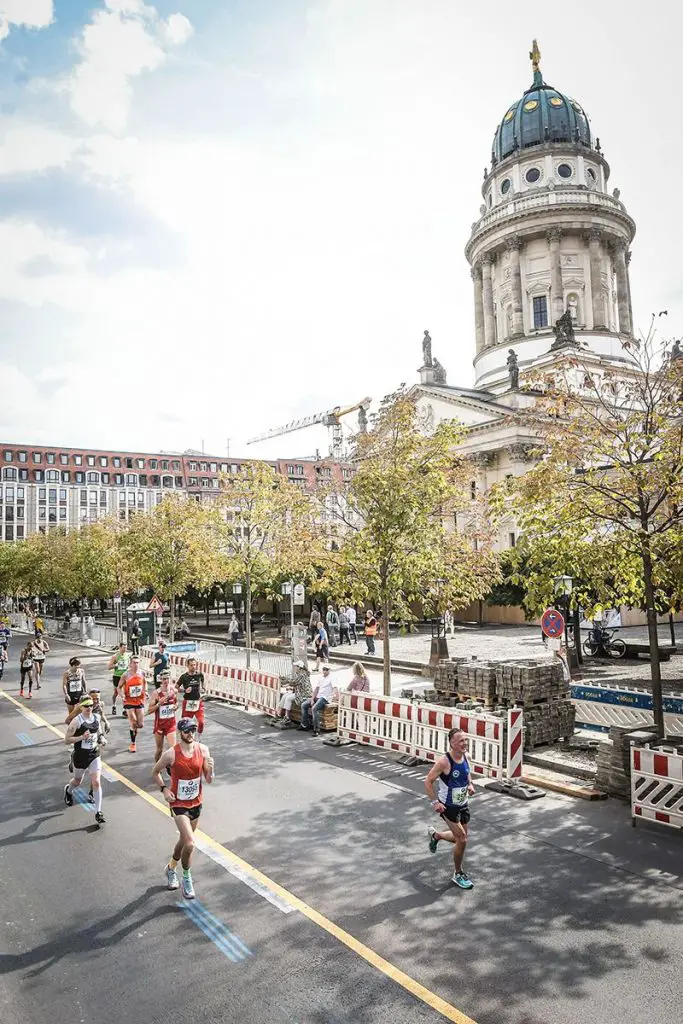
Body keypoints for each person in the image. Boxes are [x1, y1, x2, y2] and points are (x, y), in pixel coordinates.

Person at [153, 717, 214, 900]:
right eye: (187, 731)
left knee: (184, 839)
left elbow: (209, 779)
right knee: (190, 843)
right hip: (178, 803)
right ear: (180, 732)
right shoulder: (171, 754)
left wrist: (210, 769)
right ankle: (186, 877)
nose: (191, 734)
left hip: (196, 802)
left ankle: (171, 868)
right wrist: (164, 790)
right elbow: (155, 772)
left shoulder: (203, 750)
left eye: (193, 730)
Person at [424, 727, 476, 890]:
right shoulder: (444, 762)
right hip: (448, 807)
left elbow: (467, 773)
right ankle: (458, 873)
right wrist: (435, 803)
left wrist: (470, 784)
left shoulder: (466, 756)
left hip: (463, 804)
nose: (464, 743)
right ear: (452, 743)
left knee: (458, 838)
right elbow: (428, 781)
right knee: (462, 839)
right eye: (461, 741)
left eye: (465, 740)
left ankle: (436, 835)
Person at [64, 696, 107, 825]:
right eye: (86, 705)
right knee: (77, 781)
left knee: (96, 782)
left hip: (94, 754)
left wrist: (102, 739)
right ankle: (68, 790)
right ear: (81, 707)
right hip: (80, 756)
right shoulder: (76, 721)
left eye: (91, 705)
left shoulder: (97, 718)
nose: (89, 708)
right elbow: (66, 740)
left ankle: (98, 812)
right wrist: (82, 737)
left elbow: (98, 733)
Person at [147, 669, 178, 762]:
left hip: (171, 724)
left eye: (167, 678)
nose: (166, 681)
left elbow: (176, 703)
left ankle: (170, 767)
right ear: (160, 679)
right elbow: (149, 711)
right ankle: (157, 767)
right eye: (164, 679)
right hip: (159, 725)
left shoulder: (174, 691)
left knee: (173, 748)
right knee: (159, 749)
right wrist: (158, 704)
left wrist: (176, 707)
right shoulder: (156, 693)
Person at [117, 655, 147, 753]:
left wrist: (145, 691)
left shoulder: (142, 673)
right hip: (128, 700)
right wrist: (122, 695)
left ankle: (132, 728)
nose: (136, 665)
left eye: (137, 662)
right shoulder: (126, 675)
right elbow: (119, 687)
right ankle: (133, 743)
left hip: (139, 700)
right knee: (133, 721)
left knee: (140, 724)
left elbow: (144, 683)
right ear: (130, 664)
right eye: (134, 662)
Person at [300, 665, 338, 736]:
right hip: (318, 696)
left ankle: (316, 730)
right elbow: (316, 689)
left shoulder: (331, 678)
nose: (325, 671)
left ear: (329, 670)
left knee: (314, 709)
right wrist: (312, 699)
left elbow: (335, 688)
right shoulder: (321, 678)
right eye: (324, 669)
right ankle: (305, 725)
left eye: (326, 669)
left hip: (325, 698)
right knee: (304, 705)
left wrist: (337, 697)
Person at [275, 660, 312, 725]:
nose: (294, 668)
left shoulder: (302, 674)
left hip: (304, 694)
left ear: (299, 667)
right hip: (299, 692)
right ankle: (279, 712)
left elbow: (294, 682)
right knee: (285, 696)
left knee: (288, 698)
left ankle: (287, 717)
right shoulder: (300, 673)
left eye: (295, 667)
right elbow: (294, 682)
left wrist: (284, 680)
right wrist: (286, 681)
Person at [177, 656, 205, 735]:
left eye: (195, 665)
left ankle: (199, 738)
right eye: (191, 665)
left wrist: (203, 690)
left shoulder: (200, 675)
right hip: (188, 702)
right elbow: (176, 688)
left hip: (198, 702)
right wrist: (185, 690)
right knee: (185, 724)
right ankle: (182, 738)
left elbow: (203, 686)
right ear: (187, 666)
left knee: (201, 722)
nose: (193, 667)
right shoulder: (184, 677)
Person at [107, 642, 130, 716]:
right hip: (117, 676)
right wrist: (115, 665)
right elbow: (109, 667)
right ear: (120, 648)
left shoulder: (127, 656)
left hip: (125, 676)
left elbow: (128, 665)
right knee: (116, 693)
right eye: (124, 647)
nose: (125, 649)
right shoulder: (115, 656)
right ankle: (114, 705)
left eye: (126, 647)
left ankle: (124, 709)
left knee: (125, 692)